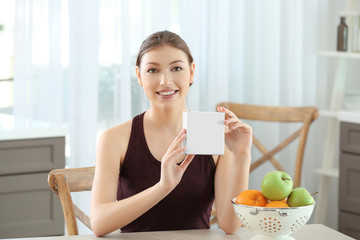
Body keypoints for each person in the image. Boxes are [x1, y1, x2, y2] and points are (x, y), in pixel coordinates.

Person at [90, 30, 252, 236]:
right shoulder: (115, 138)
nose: (165, 81)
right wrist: (163, 187)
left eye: (176, 68)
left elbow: (230, 225)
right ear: (139, 75)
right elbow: (99, 222)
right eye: (152, 70)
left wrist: (241, 155)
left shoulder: (211, 131)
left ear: (192, 72)